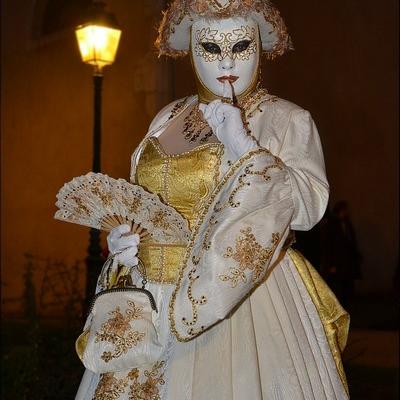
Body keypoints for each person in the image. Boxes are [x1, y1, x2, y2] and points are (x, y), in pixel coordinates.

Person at [75, 1, 350, 399]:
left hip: (244, 298)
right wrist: (124, 238)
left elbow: (306, 207)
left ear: (258, 45)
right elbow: (142, 196)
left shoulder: (285, 119)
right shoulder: (167, 117)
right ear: (190, 48)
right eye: (210, 47)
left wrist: (244, 147)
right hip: (151, 296)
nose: (226, 60)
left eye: (240, 46)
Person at [322, 201, 362, 308]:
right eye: (345, 210)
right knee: (338, 286)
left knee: (348, 285)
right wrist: (331, 265)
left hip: (347, 262)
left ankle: (348, 305)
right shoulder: (332, 225)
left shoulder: (347, 223)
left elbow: (351, 241)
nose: (347, 212)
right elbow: (329, 245)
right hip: (338, 262)